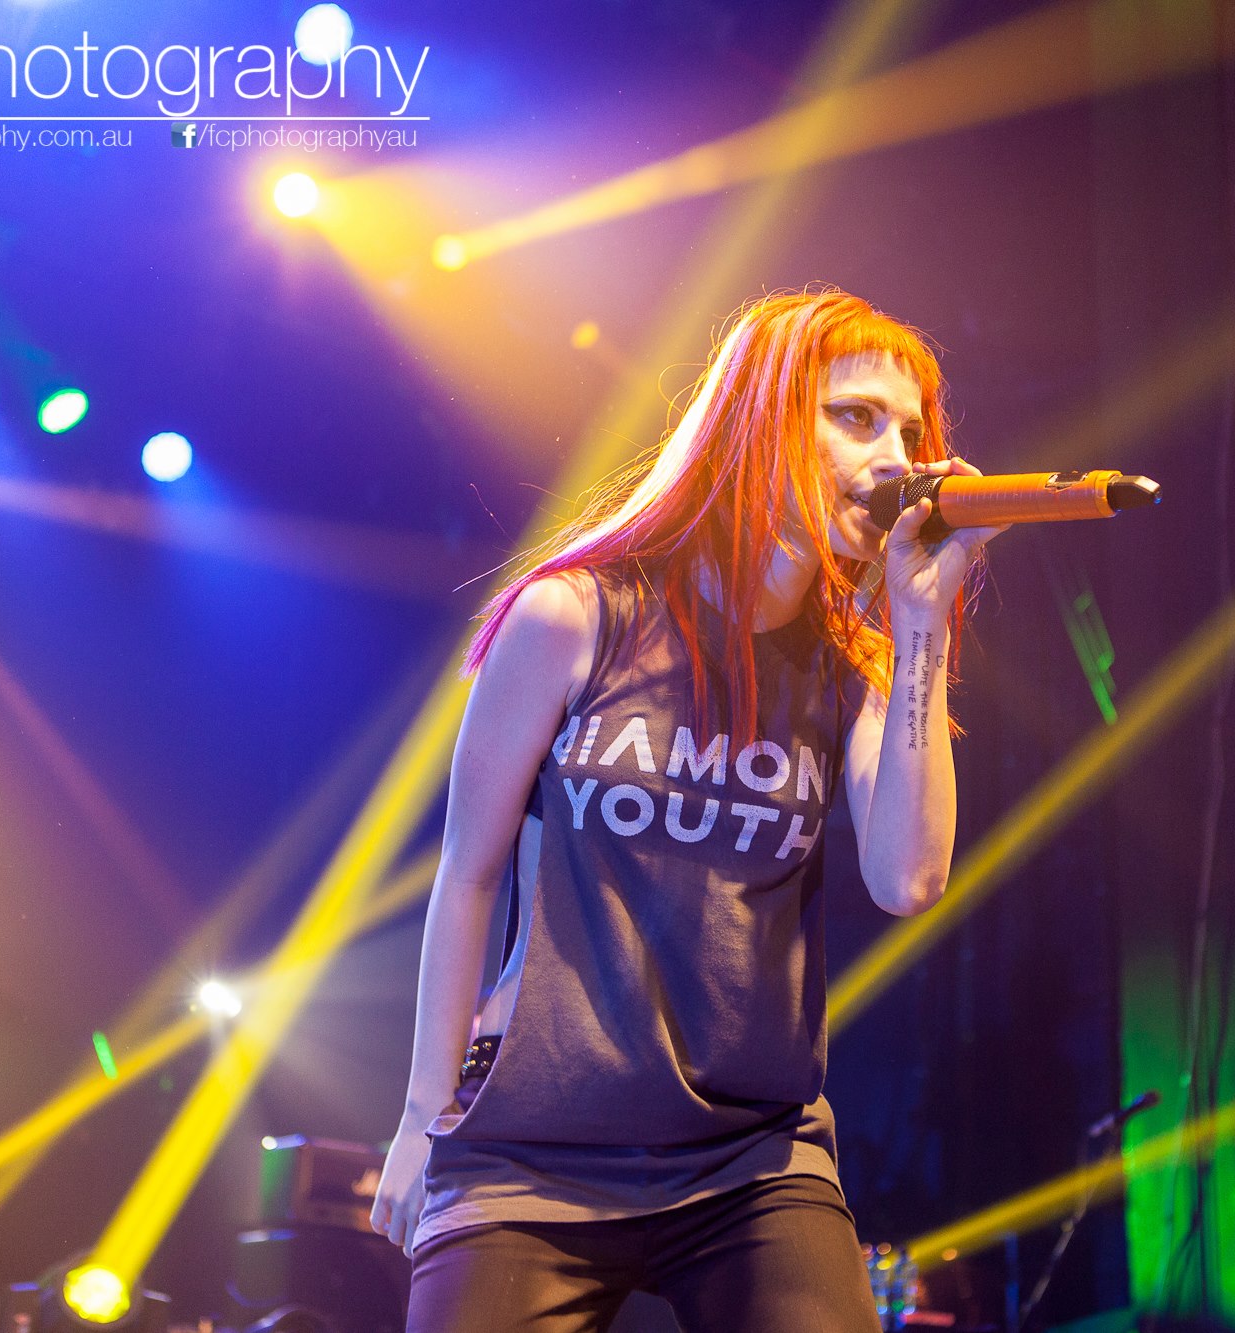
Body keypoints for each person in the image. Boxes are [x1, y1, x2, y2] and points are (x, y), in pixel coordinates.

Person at [368, 288, 1005, 1331]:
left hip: (750, 1156)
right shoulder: (575, 615)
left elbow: (909, 879)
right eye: (856, 417)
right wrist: (417, 1117)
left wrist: (920, 620)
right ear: (760, 418)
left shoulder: (859, 670)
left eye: (910, 431)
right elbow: (468, 873)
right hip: (534, 1144)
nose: (895, 457)